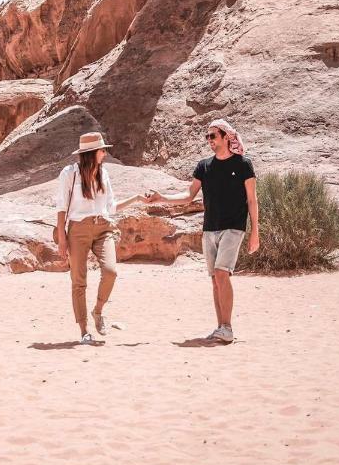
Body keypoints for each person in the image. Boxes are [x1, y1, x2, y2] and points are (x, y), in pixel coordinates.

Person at [145, 119, 259, 343]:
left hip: (234, 227)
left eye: (213, 136)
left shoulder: (244, 164)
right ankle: (221, 328)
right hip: (210, 229)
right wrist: (162, 198)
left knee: (222, 273)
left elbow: (252, 200)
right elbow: (189, 195)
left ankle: (227, 328)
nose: (209, 140)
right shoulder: (203, 166)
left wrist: (255, 231)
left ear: (226, 137)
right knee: (216, 279)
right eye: (207, 137)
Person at [56, 131, 145, 344]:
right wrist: (62, 237)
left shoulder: (103, 174)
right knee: (79, 282)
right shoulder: (70, 174)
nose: (105, 154)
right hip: (77, 230)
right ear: (92, 153)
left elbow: (110, 207)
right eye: (102, 150)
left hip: (103, 227)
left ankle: (98, 310)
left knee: (111, 271)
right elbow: (61, 207)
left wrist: (136, 198)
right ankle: (84, 330)